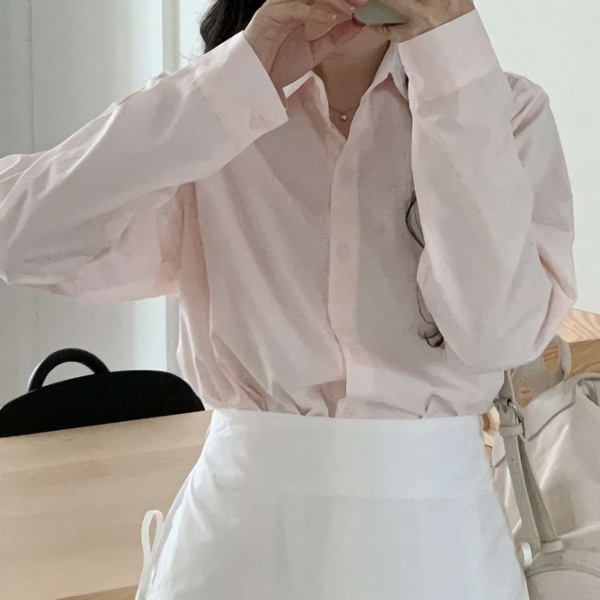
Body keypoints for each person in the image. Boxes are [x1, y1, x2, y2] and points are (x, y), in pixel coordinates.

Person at [0, 0, 577, 597]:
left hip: (439, 548)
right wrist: (236, 79)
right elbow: (19, 242)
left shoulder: (505, 112)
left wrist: (451, 59)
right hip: (238, 541)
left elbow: (496, 334)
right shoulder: (207, 117)